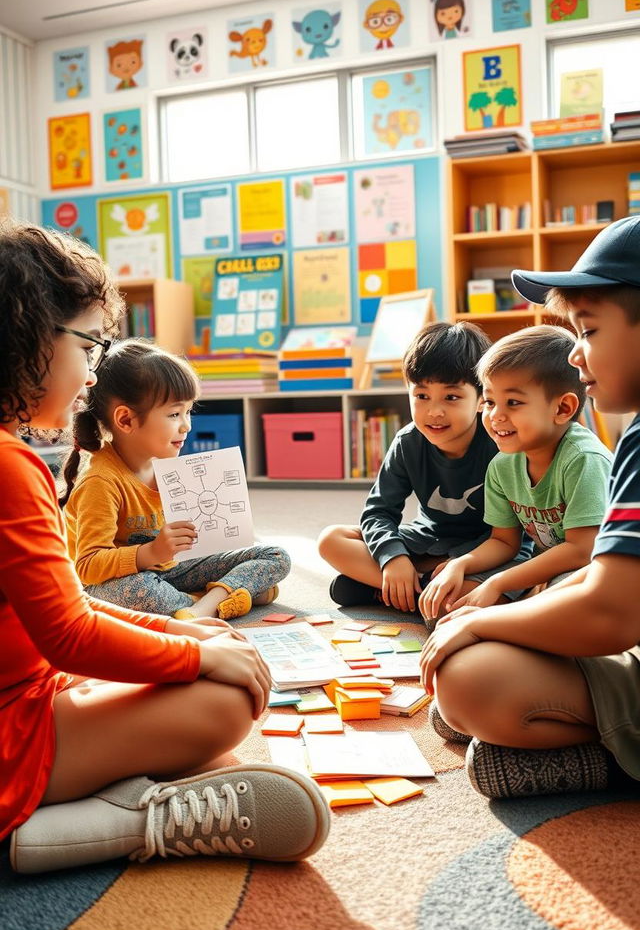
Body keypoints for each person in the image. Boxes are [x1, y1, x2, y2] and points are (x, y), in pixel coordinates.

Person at [0, 222, 330, 874]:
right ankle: (123, 820)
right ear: (32, 334)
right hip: (16, 726)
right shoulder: (14, 467)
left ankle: (107, 790)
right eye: (89, 348)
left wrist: (193, 640)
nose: (93, 375)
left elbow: (64, 613)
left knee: (218, 660)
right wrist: (191, 651)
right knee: (224, 703)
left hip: (30, 684)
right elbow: (71, 629)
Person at [420, 215, 640, 799]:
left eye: (587, 332)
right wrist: (481, 601)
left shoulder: (596, 454)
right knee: (470, 663)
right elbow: (599, 576)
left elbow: (610, 611)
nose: (575, 355)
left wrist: (485, 617)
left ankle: (614, 760)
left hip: (621, 630)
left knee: (468, 679)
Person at [61, 338, 290, 621]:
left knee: (275, 555)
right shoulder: (100, 481)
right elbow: (87, 566)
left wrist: (219, 524)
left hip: (170, 569)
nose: (187, 425)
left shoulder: (165, 461)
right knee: (137, 591)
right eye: (174, 414)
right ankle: (217, 600)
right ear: (125, 420)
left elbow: (185, 540)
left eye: (188, 411)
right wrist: (151, 552)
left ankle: (199, 607)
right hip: (118, 580)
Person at [420, 326, 612, 627]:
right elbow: (504, 542)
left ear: (562, 408)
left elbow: (583, 550)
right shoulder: (503, 465)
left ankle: (524, 611)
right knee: (447, 611)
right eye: (489, 401)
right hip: (547, 567)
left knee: (561, 605)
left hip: (598, 569)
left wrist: (497, 585)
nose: (495, 416)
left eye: (513, 402)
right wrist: (460, 565)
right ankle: (524, 606)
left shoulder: (583, 460)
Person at [319, 321, 504, 614]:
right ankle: (417, 587)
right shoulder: (408, 442)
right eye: (421, 396)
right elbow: (379, 512)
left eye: (452, 397)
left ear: (482, 399)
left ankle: (390, 590)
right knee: (331, 540)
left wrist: (458, 561)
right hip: (427, 542)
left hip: (483, 552)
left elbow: (508, 537)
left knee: (499, 591)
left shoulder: (499, 445)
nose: (434, 411)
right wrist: (393, 558)